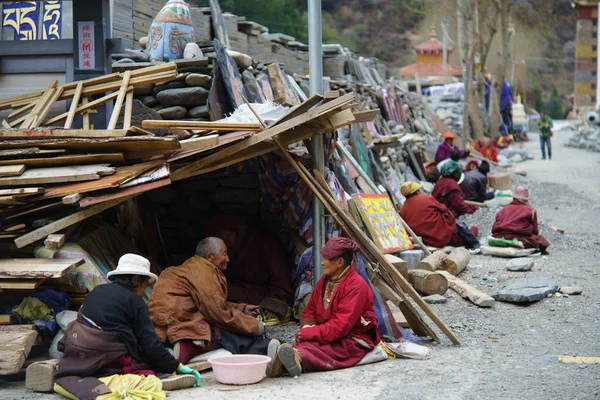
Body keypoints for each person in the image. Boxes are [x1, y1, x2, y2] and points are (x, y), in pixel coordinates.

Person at [55, 254, 201, 398]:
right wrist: (176, 366)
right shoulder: (136, 302)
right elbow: (150, 345)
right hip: (102, 350)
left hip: (75, 345)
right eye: (145, 285)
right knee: (146, 370)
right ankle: (126, 383)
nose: (144, 291)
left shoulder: (97, 290)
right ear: (136, 280)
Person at [148, 237, 276, 364]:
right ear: (209, 257)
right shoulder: (202, 271)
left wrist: (242, 309)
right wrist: (254, 326)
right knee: (226, 334)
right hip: (181, 328)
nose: (228, 259)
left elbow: (209, 302)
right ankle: (270, 347)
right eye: (224, 254)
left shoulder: (184, 269)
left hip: (160, 332)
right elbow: (218, 313)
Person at [269, 238, 381, 377]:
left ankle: (292, 360)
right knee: (308, 343)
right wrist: (308, 329)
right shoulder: (325, 280)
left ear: (340, 262)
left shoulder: (356, 286)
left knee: (328, 349)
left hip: (353, 338)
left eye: (326, 259)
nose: (322, 262)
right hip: (330, 333)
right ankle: (287, 361)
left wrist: (311, 333)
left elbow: (340, 327)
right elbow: (310, 310)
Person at [202, 216, 294, 322]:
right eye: (222, 239)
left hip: (263, 294)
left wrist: (272, 305)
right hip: (236, 293)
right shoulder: (221, 253)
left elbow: (281, 278)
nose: (227, 241)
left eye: (229, 235)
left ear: (236, 232)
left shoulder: (264, 244)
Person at [399, 181, 480, 250]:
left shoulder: (403, 209)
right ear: (417, 191)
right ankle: (475, 246)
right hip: (440, 237)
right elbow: (446, 211)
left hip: (423, 241)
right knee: (464, 228)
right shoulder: (426, 198)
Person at [492, 187, 550, 254]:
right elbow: (535, 231)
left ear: (514, 198)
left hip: (499, 237)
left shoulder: (503, 209)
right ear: (525, 200)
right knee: (540, 239)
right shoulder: (531, 210)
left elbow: (494, 229)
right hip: (520, 239)